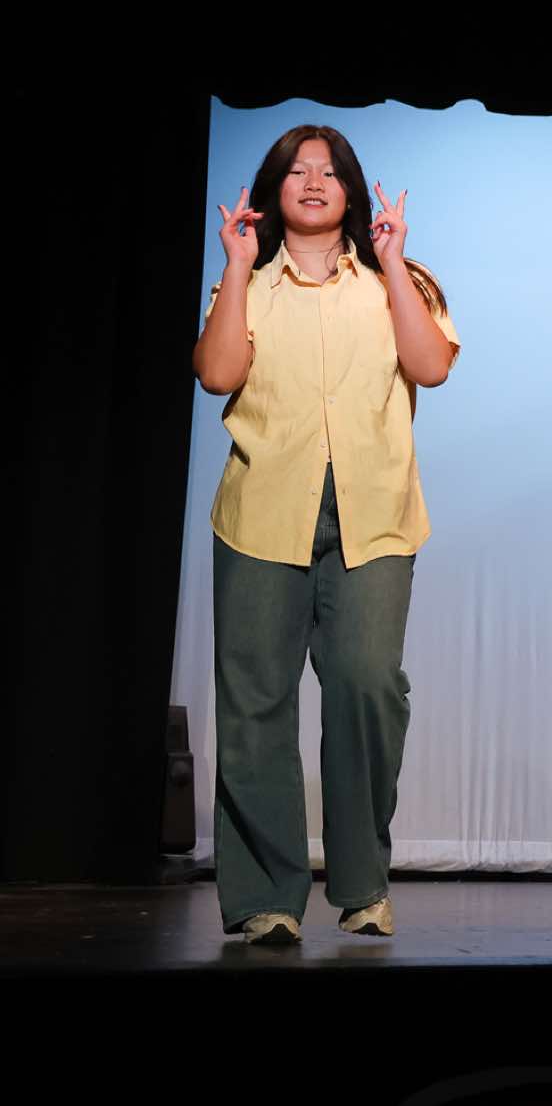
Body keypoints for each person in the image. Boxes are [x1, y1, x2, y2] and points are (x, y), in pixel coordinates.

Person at [193, 123, 458, 943]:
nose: (313, 181)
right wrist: (238, 266)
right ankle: (265, 898)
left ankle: (363, 881)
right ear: (275, 190)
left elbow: (431, 366)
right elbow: (217, 373)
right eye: (297, 170)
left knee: (367, 684)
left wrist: (393, 261)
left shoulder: (398, 279)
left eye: (330, 171)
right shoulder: (246, 282)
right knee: (255, 702)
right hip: (262, 511)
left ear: (351, 189)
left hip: (371, 514)